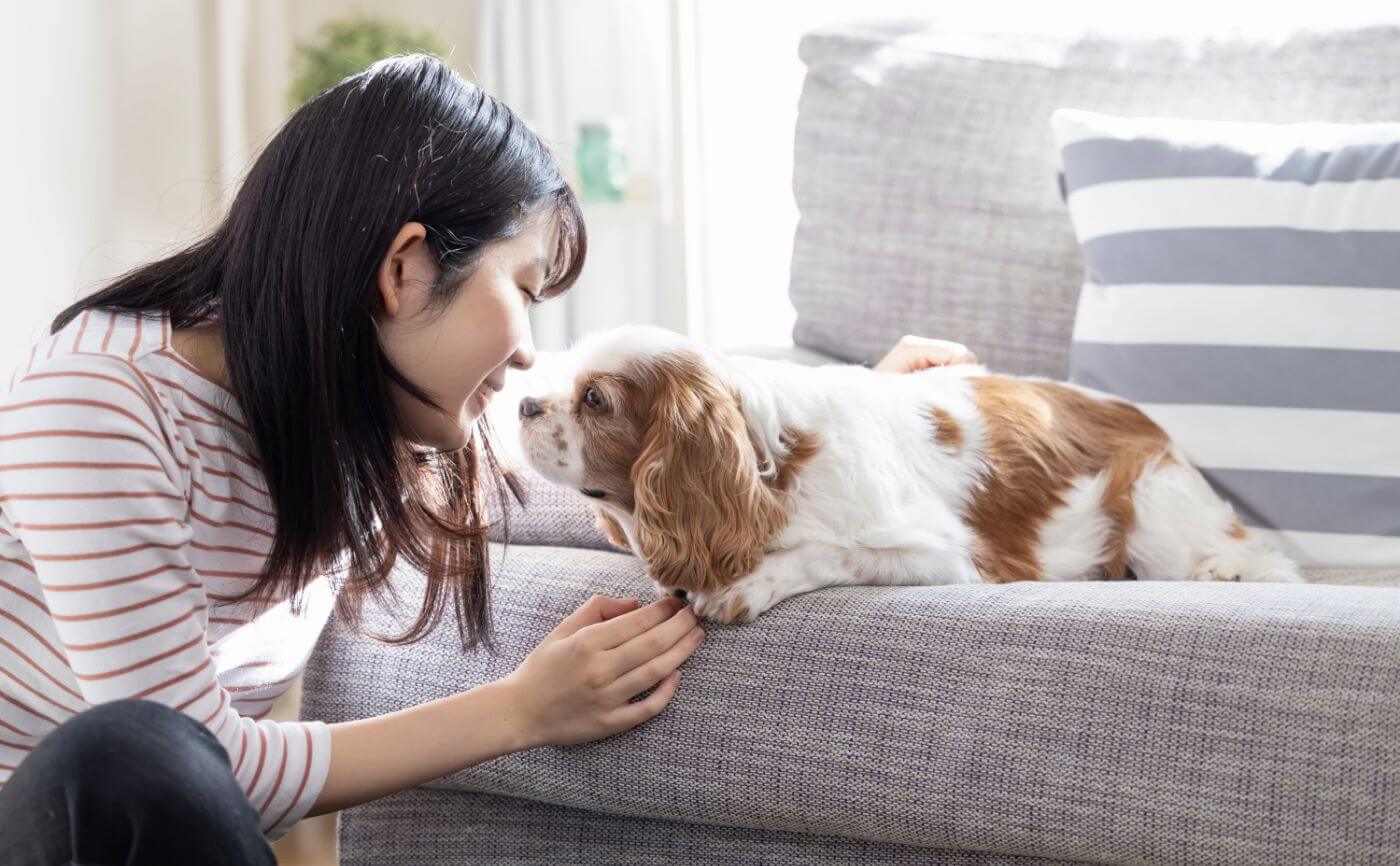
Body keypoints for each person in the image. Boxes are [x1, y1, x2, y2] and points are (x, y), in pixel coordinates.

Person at [0, 54, 974, 865]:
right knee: (127, 756)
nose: (524, 353)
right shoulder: (95, 399)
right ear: (405, 267)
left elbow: (629, 473)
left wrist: (847, 418)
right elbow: (199, 760)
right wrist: (518, 710)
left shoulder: (350, 419)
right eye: (521, 285)